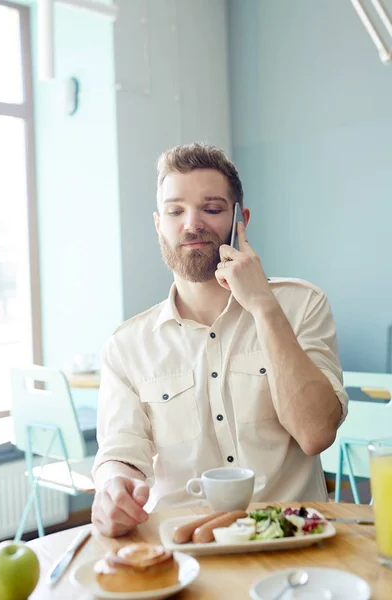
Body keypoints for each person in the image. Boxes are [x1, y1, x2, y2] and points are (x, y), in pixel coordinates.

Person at [91, 143, 348, 537]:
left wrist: (264, 307)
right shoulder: (127, 346)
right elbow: (121, 456)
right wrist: (112, 486)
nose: (192, 224)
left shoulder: (301, 304)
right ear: (159, 223)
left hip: (292, 543)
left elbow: (316, 434)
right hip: (183, 547)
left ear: (239, 220)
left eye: (211, 209)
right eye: (176, 211)